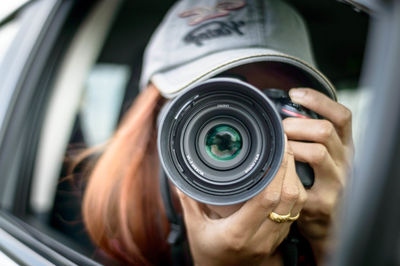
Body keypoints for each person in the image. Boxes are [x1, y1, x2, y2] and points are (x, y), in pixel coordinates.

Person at [82, 0, 353, 265]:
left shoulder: (337, 223)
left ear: (317, 122)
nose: (250, 130)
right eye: (209, 104)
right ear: (154, 133)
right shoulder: (126, 247)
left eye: (276, 106)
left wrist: (333, 238)